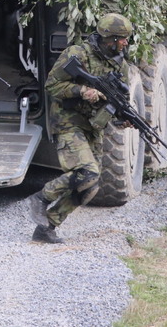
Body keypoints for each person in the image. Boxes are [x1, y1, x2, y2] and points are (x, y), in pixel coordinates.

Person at [25, 13, 134, 244]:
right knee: (87, 171)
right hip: (68, 121)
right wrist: (82, 91)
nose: (126, 43)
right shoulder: (78, 54)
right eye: (122, 38)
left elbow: (116, 104)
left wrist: (122, 119)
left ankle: (47, 228)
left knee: (89, 187)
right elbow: (52, 85)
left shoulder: (120, 66)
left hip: (92, 127)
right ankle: (42, 197)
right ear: (110, 39)